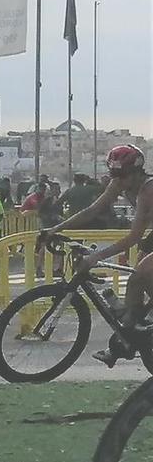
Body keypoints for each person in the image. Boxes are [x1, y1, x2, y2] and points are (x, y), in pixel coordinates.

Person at [41, 144, 153, 365]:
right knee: (143, 277)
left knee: (137, 276)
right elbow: (92, 210)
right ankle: (136, 332)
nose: (119, 181)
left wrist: (96, 257)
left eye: (123, 175)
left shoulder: (148, 191)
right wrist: (55, 229)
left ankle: (129, 335)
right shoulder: (121, 182)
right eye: (115, 176)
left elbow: (133, 237)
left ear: (137, 171)